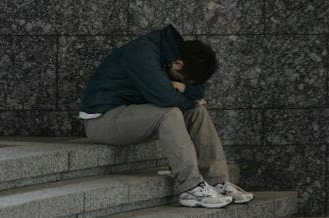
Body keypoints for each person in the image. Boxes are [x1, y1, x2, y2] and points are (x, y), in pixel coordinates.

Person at [80, 24, 253, 208]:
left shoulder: (173, 52)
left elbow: (198, 90)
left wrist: (184, 88)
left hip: (132, 114)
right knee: (170, 113)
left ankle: (218, 181)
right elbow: (166, 98)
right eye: (182, 79)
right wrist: (189, 98)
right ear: (178, 64)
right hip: (102, 120)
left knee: (197, 112)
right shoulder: (144, 55)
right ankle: (191, 188)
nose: (180, 82)